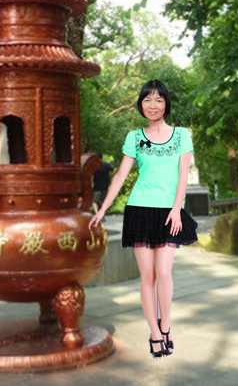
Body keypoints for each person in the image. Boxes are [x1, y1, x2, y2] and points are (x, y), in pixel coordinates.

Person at [89, 79, 198, 359]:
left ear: (166, 104)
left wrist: (177, 208)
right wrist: (102, 210)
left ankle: (166, 324)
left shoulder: (182, 135)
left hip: (169, 211)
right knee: (147, 276)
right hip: (139, 210)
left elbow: (183, 175)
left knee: (164, 272)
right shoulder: (134, 137)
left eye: (158, 100)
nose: (153, 105)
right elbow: (120, 176)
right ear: (141, 105)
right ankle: (154, 332)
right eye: (147, 100)